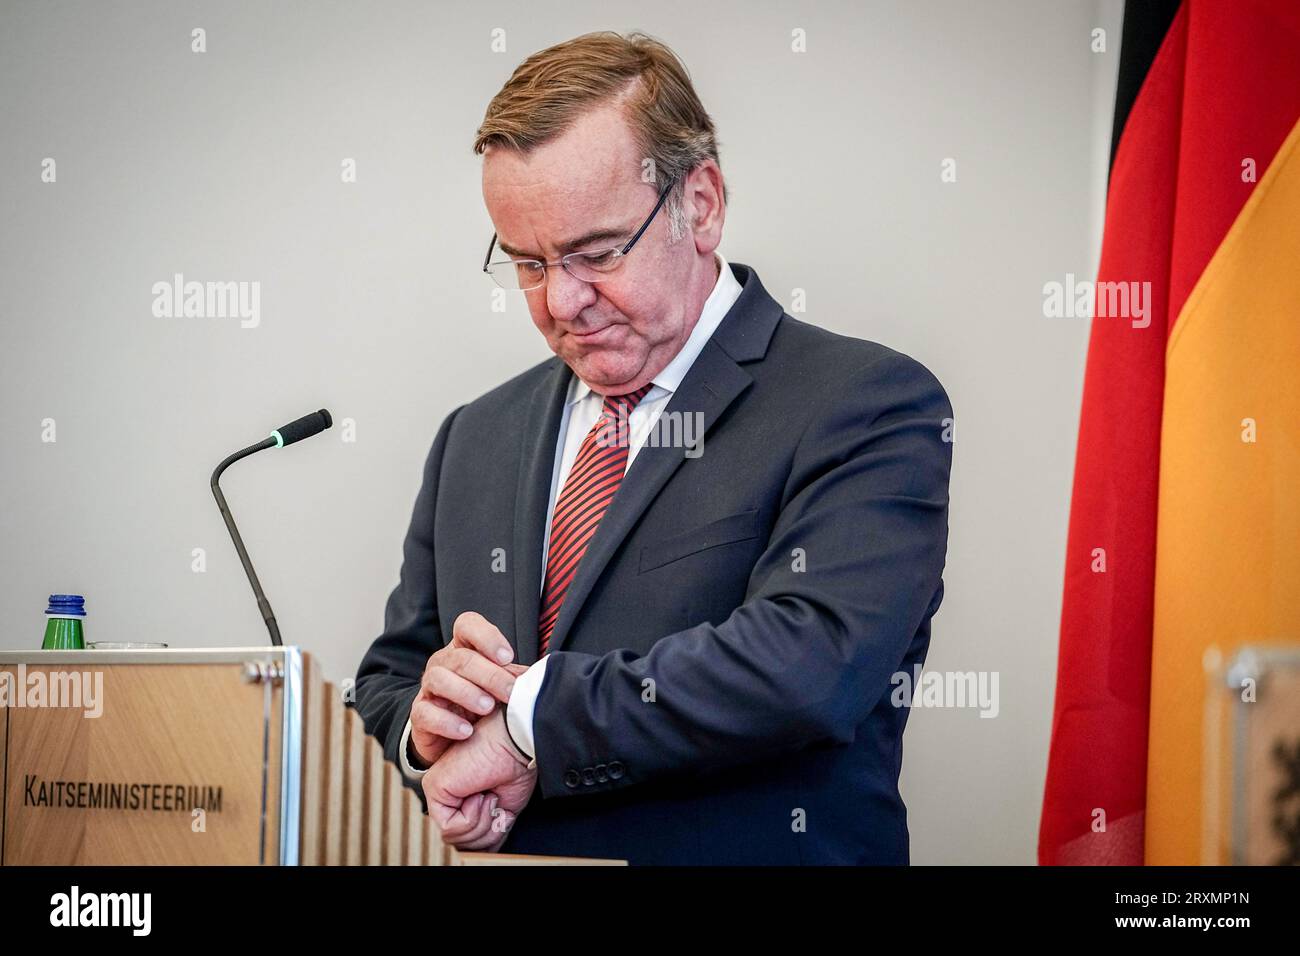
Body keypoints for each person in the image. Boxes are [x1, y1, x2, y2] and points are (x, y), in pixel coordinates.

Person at [354, 30, 953, 865]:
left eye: (597, 254)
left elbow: (809, 666)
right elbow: (387, 682)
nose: (563, 301)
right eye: (528, 263)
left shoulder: (865, 403)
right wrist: (427, 732)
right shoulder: (475, 435)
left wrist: (525, 719)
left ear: (700, 205)